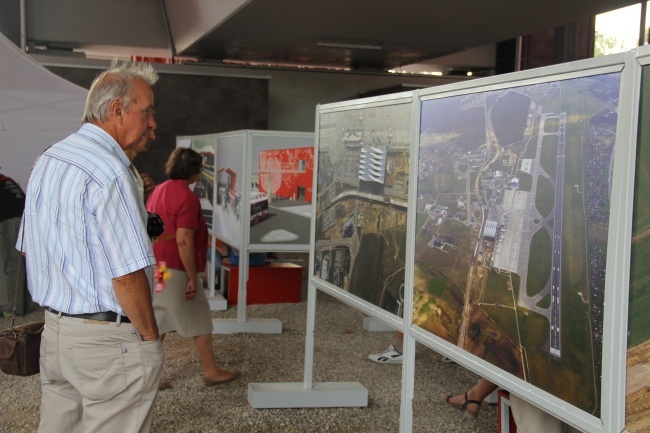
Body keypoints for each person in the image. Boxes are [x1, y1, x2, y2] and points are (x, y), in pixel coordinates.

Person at [17, 61, 164, 433]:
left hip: (56, 333)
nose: (152, 123)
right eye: (146, 112)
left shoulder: (48, 159)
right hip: (107, 341)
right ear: (117, 110)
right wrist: (149, 338)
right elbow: (127, 275)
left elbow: (27, 249)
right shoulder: (109, 170)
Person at [146, 147, 240, 389]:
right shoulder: (186, 197)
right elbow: (184, 240)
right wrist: (191, 277)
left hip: (160, 265)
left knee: (160, 317)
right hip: (177, 267)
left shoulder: (159, 190)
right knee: (199, 315)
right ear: (195, 172)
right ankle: (211, 371)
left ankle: (147, 376)